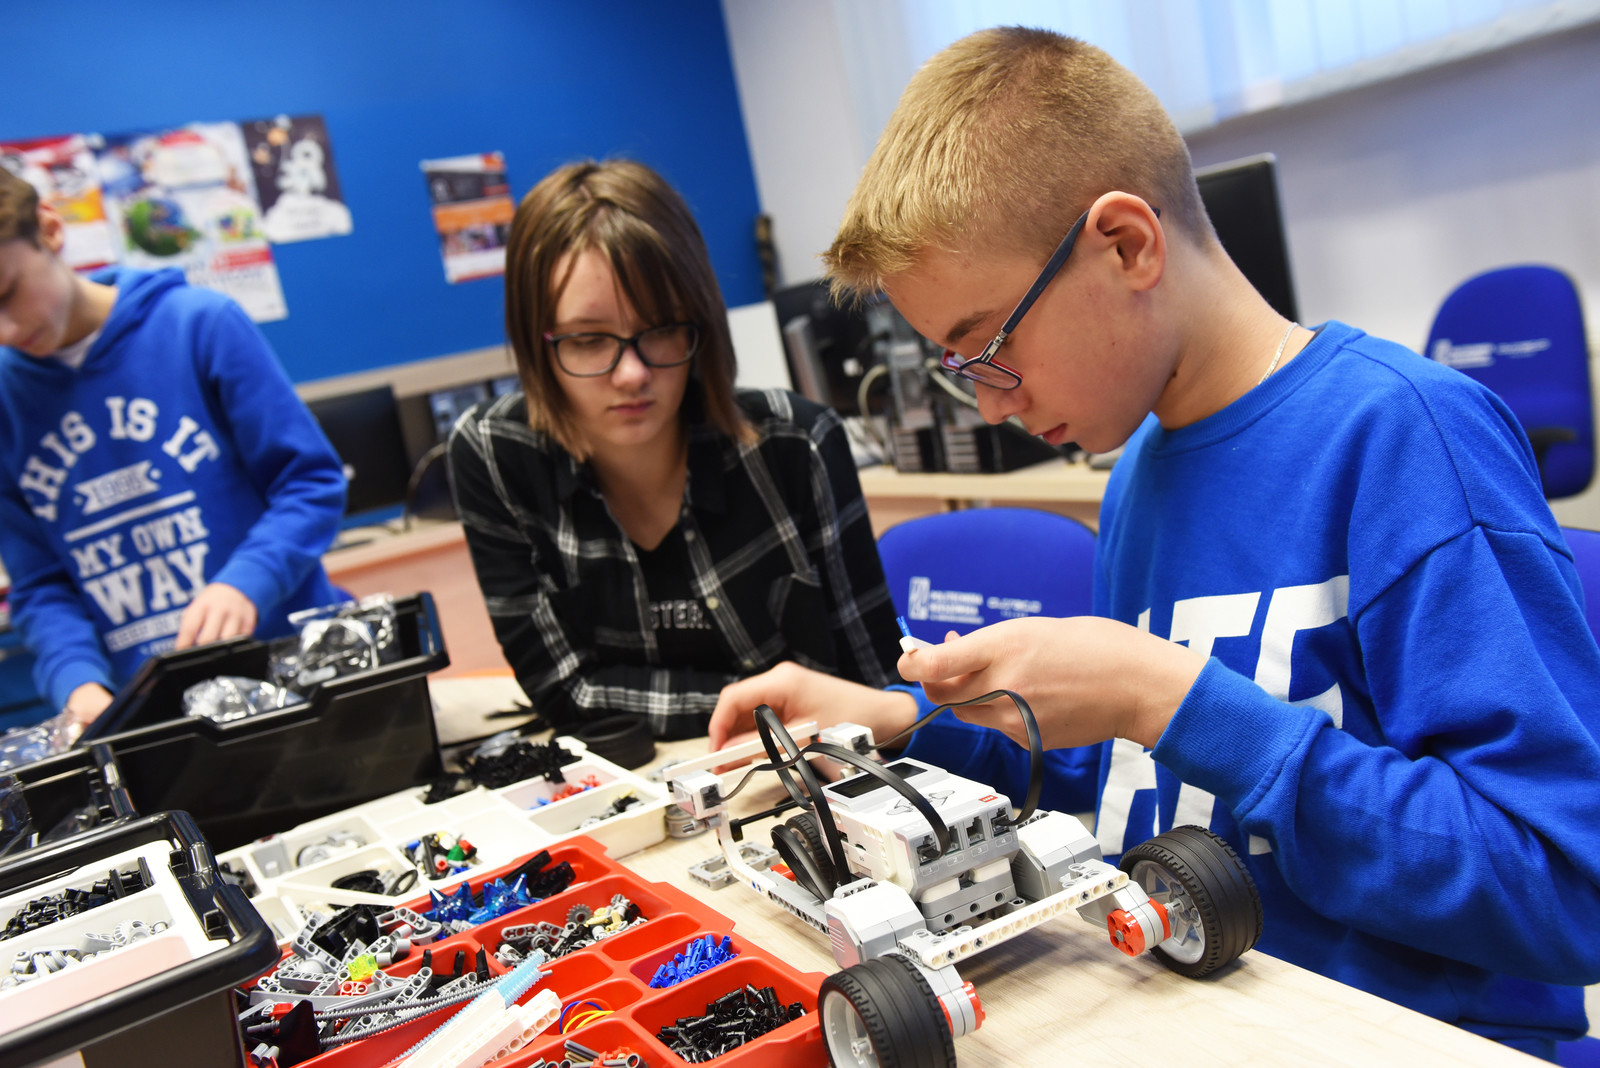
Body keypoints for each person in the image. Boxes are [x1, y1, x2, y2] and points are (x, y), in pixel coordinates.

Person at [708, 27, 1600, 1059]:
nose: (989, 404)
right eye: (959, 366)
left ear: (1128, 245)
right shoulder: (1139, 471)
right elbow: (1134, 793)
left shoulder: (1407, 439)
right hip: (1194, 1010)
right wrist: (906, 726)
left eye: (989, 344)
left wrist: (1166, 697)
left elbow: (1562, 890)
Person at [447, 159, 900, 740]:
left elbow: (875, 695)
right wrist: (771, 706)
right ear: (538, 345)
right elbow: (565, 690)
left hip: (813, 774)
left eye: (660, 330)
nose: (632, 374)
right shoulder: (493, 454)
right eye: (588, 340)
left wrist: (785, 712)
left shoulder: (797, 445)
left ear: (700, 322)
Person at [0, 168, 347, 726]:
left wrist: (246, 581)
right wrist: (77, 680)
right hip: (158, 712)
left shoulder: (199, 326)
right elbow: (40, 583)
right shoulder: (6, 399)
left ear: (50, 229)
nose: (8, 331)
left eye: (8, 293)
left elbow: (311, 485)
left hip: (297, 675)